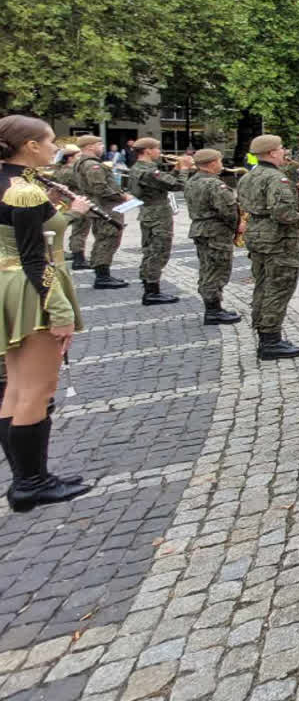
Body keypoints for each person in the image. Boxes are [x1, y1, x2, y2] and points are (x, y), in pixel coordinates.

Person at [0, 115, 91, 511]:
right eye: (51, 140)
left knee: (17, 389)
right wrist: (59, 311)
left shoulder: (12, 183)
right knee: (37, 389)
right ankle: (30, 483)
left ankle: (27, 476)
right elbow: (36, 258)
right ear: (31, 146)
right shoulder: (24, 191)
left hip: (11, 282)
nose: (56, 147)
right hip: (31, 287)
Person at [235, 135, 299, 360]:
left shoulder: (248, 176)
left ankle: (265, 333)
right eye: (281, 149)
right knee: (279, 287)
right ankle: (270, 341)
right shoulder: (276, 179)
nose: (284, 152)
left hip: (257, 235)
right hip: (278, 240)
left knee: (263, 285)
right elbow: (282, 213)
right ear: (271, 152)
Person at [127, 138, 193, 305]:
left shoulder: (138, 168)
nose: (160, 152)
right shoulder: (149, 171)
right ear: (148, 150)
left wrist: (176, 169)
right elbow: (178, 185)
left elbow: (164, 183)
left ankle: (149, 285)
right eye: (157, 149)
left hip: (149, 213)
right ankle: (152, 291)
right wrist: (184, 169)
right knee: (159, 251)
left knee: (150, 250)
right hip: (158, 215)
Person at [183, 149, 243, 325]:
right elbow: (228, 211)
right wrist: (238, 226)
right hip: (216, 232)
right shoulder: (215, 185)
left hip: (200, 229)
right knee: (217, 270)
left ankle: (213, 307)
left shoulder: (192, 181)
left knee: (207, 269)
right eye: (219, 161)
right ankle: (213, 311)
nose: (221, 165)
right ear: (212, 163)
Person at [73, 135, 131, 289]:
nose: (102, 147)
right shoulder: (93, 165)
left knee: (103, 240)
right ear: (90, 146)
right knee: (107, 241)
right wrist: (123, 196)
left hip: (100, 208)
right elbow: (100, 189)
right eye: (99, 144)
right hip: (105, 209)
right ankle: (102, 277)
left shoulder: (83, 163)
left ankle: (102, 274)